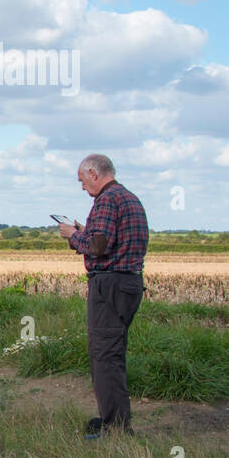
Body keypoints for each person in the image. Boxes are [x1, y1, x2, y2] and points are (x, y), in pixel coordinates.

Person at [58, 154, 148, 438]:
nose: (83, 188)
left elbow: (98, 247)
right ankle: (114, 419)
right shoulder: (129, 198)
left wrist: (72, 235)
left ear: (94, 173)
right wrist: (87, 233)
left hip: (109, 285)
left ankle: (115, 429)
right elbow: (110, 240)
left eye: (83, 181)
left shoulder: (107, 200)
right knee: (113, 353)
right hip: (128, 284)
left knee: (104, 356)